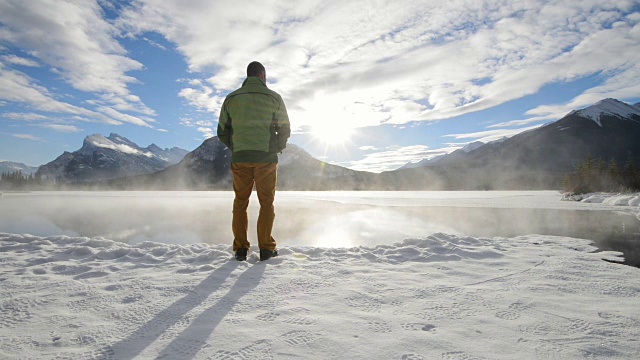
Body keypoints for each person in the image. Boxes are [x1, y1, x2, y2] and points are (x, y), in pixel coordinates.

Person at [217, 61, 291, 261]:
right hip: (266, 159)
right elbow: (284, 128)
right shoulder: (274, 98)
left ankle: (241, 248)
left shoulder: (231, 98)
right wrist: (277, 147)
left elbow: (222, 132)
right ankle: (266, 248)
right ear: (262, 75)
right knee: (266, 203)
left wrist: (237, 147)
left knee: (240, 202)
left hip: (240, 159)